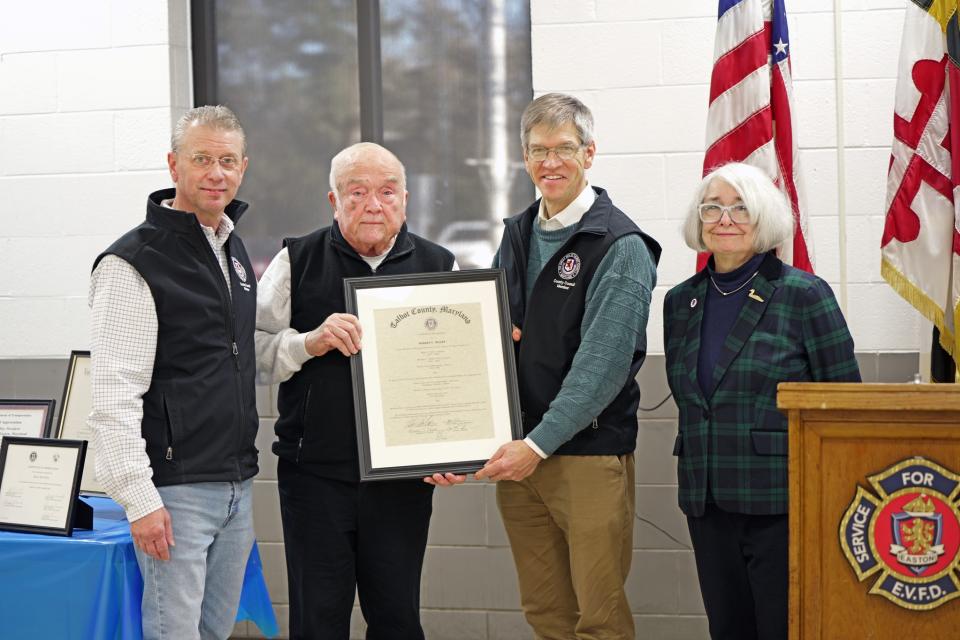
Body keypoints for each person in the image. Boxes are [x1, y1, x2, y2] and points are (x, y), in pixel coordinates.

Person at [470, 93, 661, 639]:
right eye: (537, 151)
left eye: (564, 148)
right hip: (518, 454)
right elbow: (487, 336)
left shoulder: (621, 246)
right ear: (524, 158)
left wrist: (536, 446)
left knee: (597, 620)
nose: (549, 162)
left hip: (583, 457)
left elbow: (600, 365)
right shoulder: (517, 233)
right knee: (546, 613)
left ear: (590, 153)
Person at [255, 142, 456, 639]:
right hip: (314, 476)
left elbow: (453, 373)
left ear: (405, 200)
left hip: (402, 482)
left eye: (387, 192)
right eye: (357, 192)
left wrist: (454, 447)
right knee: (318, 619)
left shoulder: (439, 264)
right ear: (333, 200)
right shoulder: (294, 260)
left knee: (397, 618)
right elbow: (251, 351)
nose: (373, 204)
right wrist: (308, 342)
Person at [663, 162, 861, 640]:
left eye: (739, 208)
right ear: (699, 219)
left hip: (780, 501)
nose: (724, 218)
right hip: (706, 499)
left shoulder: (802, 295)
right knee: (727, 629)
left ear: (763, 217)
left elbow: (844, 403)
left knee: (782, 628)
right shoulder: (679, 301)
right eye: (712, 207)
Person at [87, 105, 259, 640]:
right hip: (176, 493)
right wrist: (141, 500)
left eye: (227, 161)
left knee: (215, 634)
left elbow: (235, 357)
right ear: (173, 165)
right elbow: (114, 396)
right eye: (202, 158)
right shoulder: (132, 261)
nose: (216, 173)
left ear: (243, 167)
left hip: (237, 485)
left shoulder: (231, 250)